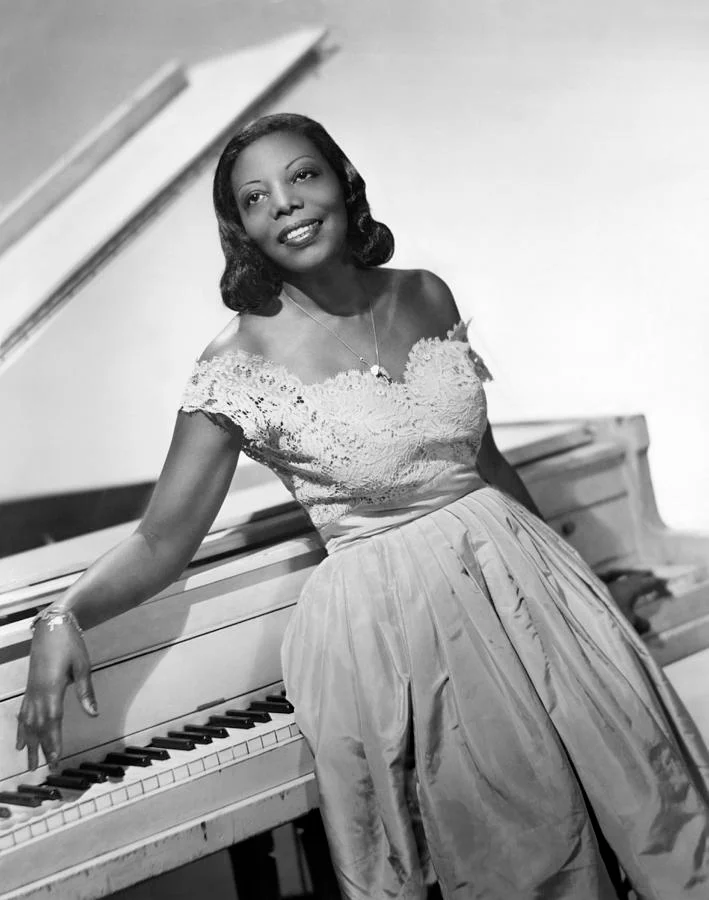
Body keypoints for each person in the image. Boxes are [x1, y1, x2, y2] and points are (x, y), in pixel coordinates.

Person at [16, 113, 709, 900]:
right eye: (255, 197)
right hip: (400, 625)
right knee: (520, 856)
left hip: (528, 582)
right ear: (240, 228)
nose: (284, 203)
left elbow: (483, 462)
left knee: (660, 814)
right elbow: (161, 539)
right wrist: (60, 615)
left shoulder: (423, 291)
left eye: (301, 176)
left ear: (342, 185)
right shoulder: (234, 365)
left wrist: (579, 593)